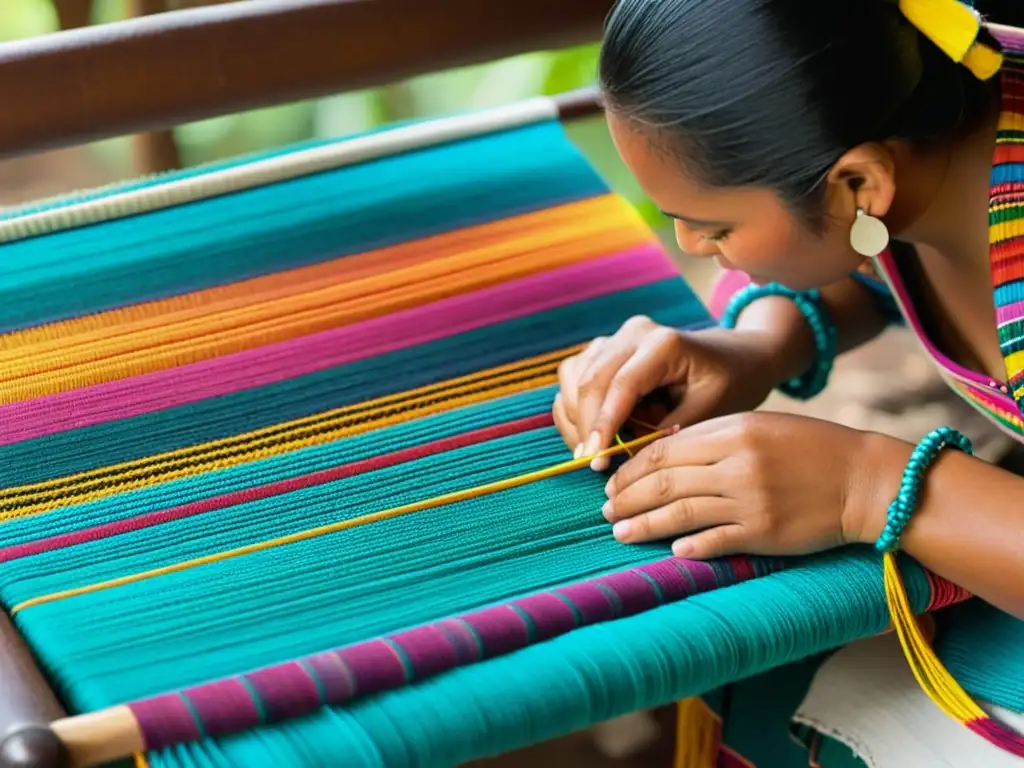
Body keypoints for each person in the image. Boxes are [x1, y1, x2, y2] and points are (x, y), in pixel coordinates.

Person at [553, 1, 1024, 765]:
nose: (691, 245)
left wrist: (865, 483)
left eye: (717, 227)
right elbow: (881, 260)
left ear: (858, 181)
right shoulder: (945, 105)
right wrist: (758, 345)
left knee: (792, 698)